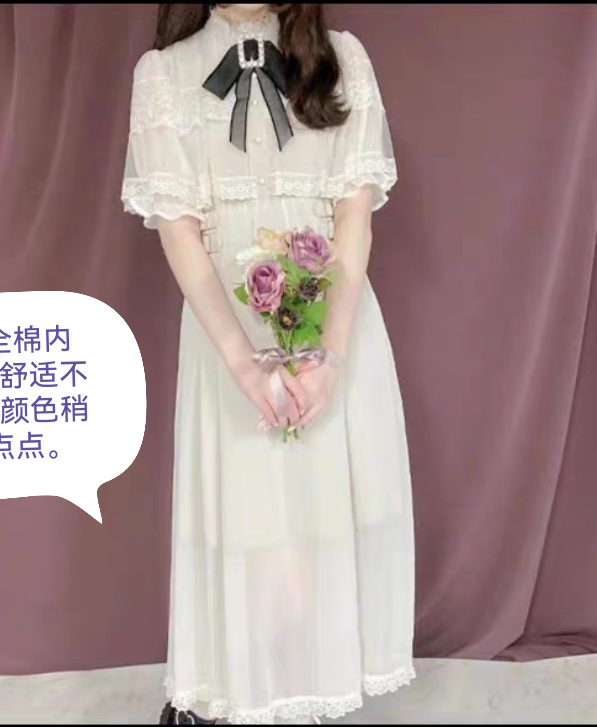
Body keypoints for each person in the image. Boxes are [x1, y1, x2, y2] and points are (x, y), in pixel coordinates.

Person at [121, 3, 416, 724]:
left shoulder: (344, 59)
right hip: (229, 329)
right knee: (250, 520)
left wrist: (331, 353)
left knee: (323, 520)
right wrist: (244, 363)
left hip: (332, 321)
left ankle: (306, 692)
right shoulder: (164, 75)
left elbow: (353, 219)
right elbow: (180, 236)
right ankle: (235, 694)